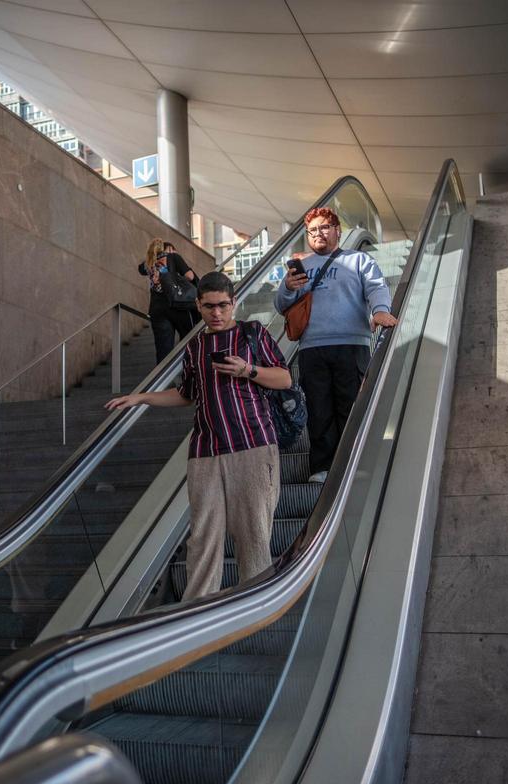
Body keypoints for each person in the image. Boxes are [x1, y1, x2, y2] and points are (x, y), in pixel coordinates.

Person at [106, 272, 291, 600]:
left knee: (254, 537)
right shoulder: (194, 346)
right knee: (203, 539)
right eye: (209, 306)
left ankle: (256, 607)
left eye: (222, 305)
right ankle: (197, 612)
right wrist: (142, 397)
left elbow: (284, 379)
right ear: (198, 305)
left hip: (253, 444)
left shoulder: (253, 334)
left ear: (234, 303)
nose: (216, 313)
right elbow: (187, 394)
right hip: (204, 451)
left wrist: (248, 370)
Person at [275, 207, 398, 483]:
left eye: (324, 228)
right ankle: (323, 467)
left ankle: (355, 464)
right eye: (313, 230)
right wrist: (288, 287)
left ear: (337, 230)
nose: (318, 234)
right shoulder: (303, 265)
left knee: (351, 406)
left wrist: (379, 310)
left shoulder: (358, 260)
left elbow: (377, 287)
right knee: (319, 409)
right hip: (311, 348)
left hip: (351, 343)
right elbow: (281, 305)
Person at [138, 237, 198, 363]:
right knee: (189, 341)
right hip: (178, 304)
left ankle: (165, 381)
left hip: (157, 310)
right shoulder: (174, 258)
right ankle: (190, 372)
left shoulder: (148, 264)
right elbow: (190, 276)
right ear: (166, 248)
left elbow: (141, 269)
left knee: (163, 350)